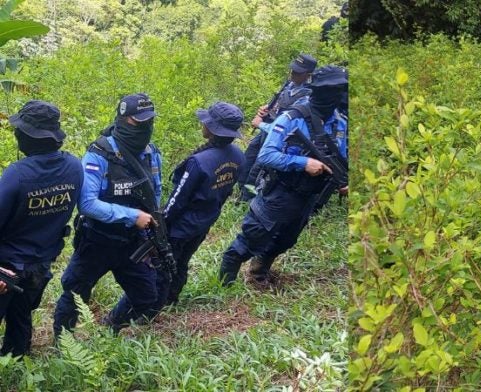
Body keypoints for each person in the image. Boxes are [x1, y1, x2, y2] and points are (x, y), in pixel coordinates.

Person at [110, 102, 246, 321]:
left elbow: (177, 199)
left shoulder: (199, 162)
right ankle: (172, 297)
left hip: (180, 226)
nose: (203, 124)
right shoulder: (238, 156)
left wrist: (161, 221)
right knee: (182, 261)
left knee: (163, 267)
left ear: (212, 129)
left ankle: (150, 311)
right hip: (204, 221)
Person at [219, 65, 348, 288]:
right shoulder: (292, 118)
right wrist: (303, 163)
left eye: (341, 90)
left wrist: (344, 181)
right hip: (281, 191)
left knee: (287, 238)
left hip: (310, 196)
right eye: (331, 90)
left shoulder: (340, 123)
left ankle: (259, 272)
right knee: (253, 236)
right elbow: (267, 155)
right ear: (316, 90)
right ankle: (224, 282)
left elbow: (341, 157)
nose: (336, 96)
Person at [53, 93, 163, 336]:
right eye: (138, 122)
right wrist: (132, 215)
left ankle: (112, 324)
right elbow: (88, 204)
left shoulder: (151, 152)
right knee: (74, 294)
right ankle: (63, 344)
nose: (145, 127)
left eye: (149, 122)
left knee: (146, 295)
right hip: (97, 240)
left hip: (133, 242)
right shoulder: (99, 154)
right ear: (123, 119)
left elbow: (155, 189)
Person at [0, 100, 83, 356]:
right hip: (41, 265)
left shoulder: (17, 174)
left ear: (26, 136)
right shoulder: (74, 167)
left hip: (6, 269)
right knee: (21, 316)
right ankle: (16, 361)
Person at [237, 54, 317, 201]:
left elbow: (287, 126)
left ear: (308, 75)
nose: (292, 74)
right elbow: (280, 104)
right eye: (292, 70)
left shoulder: (308, 97)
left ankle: (246, 200)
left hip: (278, 135)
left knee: (259, 166)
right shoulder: (290, 84)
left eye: (297, 72)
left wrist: (259, 124)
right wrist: (268, 108)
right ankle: (238, 189)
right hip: (266, 128)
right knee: (248, 157)